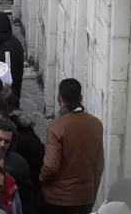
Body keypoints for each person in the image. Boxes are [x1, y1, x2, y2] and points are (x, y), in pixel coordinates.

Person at [40, 79, 104, 214]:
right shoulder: (96, 124)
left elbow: (51, 166)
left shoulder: (57, 126)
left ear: (59, 97)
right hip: (85, 198)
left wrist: (42, 180)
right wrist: (91, 193)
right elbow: (98, 165)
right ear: (81, 98)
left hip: (58, 199)